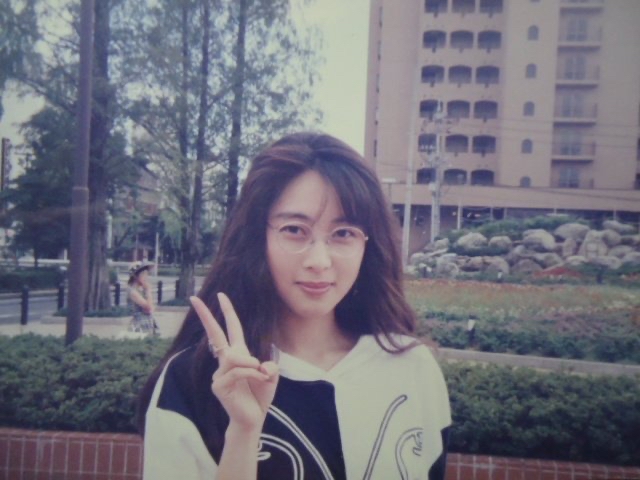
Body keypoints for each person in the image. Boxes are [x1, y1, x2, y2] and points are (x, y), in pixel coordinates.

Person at [137, 132, 451, 480]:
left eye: (343, 233)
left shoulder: (412, 369)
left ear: (368, 246)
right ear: (257, 238)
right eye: (294, 230)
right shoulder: (194, 381)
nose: (319, 261)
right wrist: (243, 433)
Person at [127, 261, 159, 336]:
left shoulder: (141, 290)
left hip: (148, 322)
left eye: (146, 274)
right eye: (143, 274)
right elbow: (149, 308)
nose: (146, 277)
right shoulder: (133, 291)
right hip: (140, 324)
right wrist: (148, 290)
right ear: (135, 276)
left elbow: (152, 308)